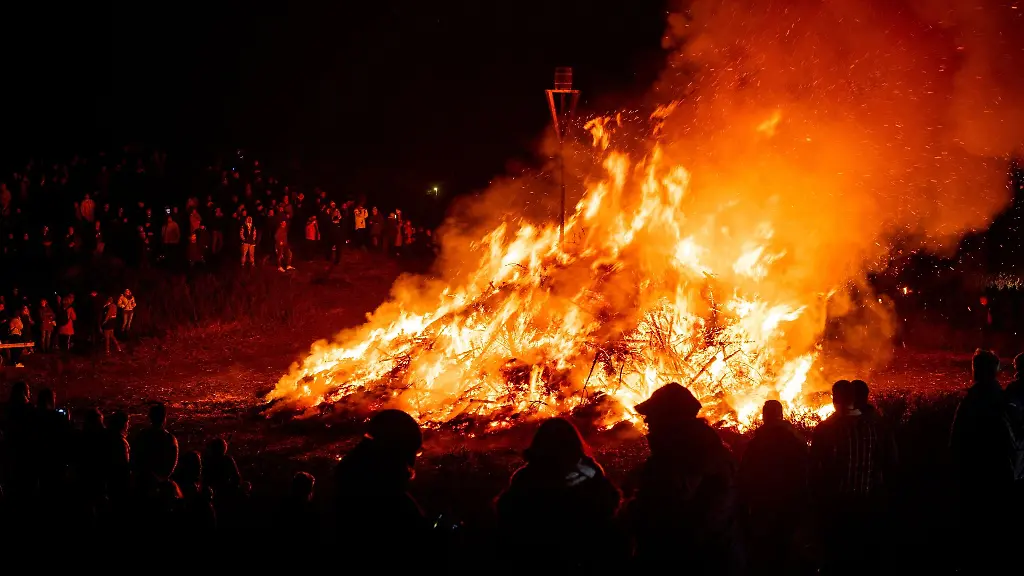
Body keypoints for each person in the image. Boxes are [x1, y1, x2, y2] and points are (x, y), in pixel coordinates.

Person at [625, 383, 741, 574]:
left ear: (670, 418)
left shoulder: (680, 458)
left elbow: (664, 517)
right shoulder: (708, 450)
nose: (647, 423)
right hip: (714, 558)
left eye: (652, 415)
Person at [496, 417, 623, 568]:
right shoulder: (589, 473)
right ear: (574, 444)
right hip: (583, 557)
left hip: (535, 558)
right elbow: (608, 506)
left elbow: (508, 515)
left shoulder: (527, 477)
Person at [811, 380, 898, 576]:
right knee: (862, 553)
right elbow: (888, 462)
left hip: (836, 505)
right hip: (867, 502)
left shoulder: (825, 429)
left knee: (836, 555)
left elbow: (815, 468)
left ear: (835, 399)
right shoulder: (874, 426)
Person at [949, 349, 1019, 572]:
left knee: (977, 531)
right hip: (1000, 475)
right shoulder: (1002, 398)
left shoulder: (974, 400)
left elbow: (957, 442)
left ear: (976, 370)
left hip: (978, 477)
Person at [335, 409, 428, 560]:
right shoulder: (388, 497)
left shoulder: (350, 476)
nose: (412, 462)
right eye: (410, 453)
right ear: (397, 451)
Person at [739, 400, 810, 575]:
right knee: (788, 544)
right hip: (791, 502)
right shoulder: (796, 440)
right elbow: (807, 467)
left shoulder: (756, 443)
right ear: (781, 415)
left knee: (767, 548)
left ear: (764, 417)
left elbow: (745, 475)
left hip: (765, 504)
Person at [132, 402, 179, 490]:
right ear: (164, 418)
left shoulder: (141, 436)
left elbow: (135, 459)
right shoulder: (169, 439)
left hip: (141, 484)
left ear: (150, 417)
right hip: (160, 487)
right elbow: (171, 465)